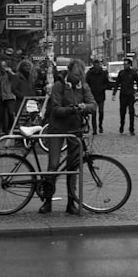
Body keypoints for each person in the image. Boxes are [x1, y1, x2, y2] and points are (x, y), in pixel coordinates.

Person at [39, 59, 96, 215]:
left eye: (80, 75)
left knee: (73, 166)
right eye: (75, 74)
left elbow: (93, 104)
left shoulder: (83, 86)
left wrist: (85, 107)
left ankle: (71, 202)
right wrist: (73, 109)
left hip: (75, 130)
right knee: (53, 164)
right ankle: (47, 201)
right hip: (58, 128)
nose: (77, 77)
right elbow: (55, 108)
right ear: (69, 72)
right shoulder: (59, 85)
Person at [112, 58, 138, 135]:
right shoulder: (121, 73)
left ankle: (131, 128)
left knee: (131, 112)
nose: (124, 66)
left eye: (126, 64)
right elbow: (117, 83)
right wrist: (114, 93)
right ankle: (122, 125)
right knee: (122, 112)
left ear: (129, 65)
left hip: (131, 95)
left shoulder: (133, 73)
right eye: (124, 64)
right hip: (123, 95)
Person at [85, 59, 110, 134]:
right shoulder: (89, 73)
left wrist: (103, 88)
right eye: (95, 64)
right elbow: (86, 83)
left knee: (101, 112)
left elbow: (107, 83)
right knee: (93, 113)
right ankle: (95, 129)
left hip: (101, 95)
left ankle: (100, 125)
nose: (96, 65)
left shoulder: (103, 73)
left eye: (97, 64)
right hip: (92, 96)